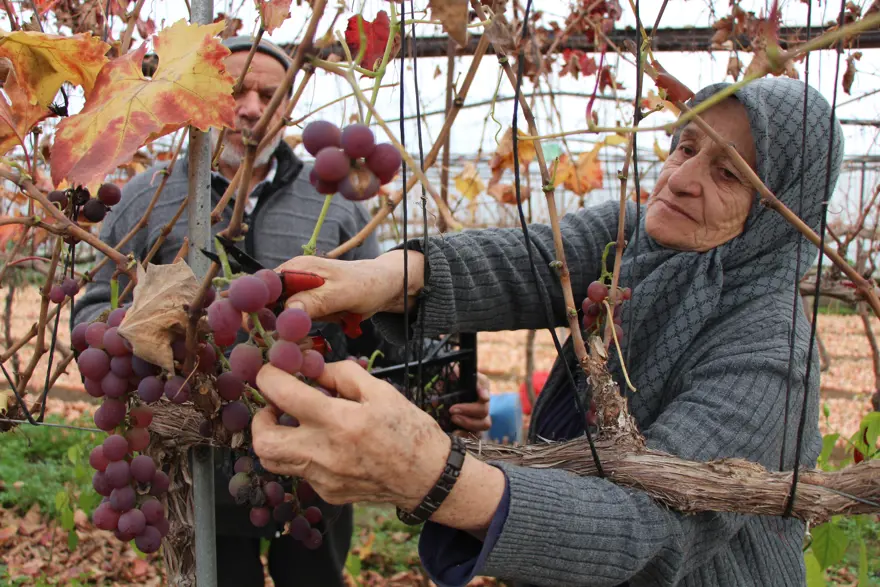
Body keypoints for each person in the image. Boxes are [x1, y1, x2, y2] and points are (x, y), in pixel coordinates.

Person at [248, 76, 843, 587]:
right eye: (685, 147)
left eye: (729, 174)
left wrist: (431, 475)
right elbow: (528, 263)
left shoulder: (772, 349)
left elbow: (650, 524)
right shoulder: (635, 236)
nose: (683, 178)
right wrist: (380, 275)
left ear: (783, 211)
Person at [71, 35, 490, 586]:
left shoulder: (337, 203)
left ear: (289, 106)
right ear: (208, 94)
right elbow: (97, 306)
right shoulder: (153, 197)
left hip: (318, 448)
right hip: (201, 453)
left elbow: (377, 322)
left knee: (314, 573)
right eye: (235, 90)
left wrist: (440, 374)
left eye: (268, 94)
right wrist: (151, 336)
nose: (250, 107)